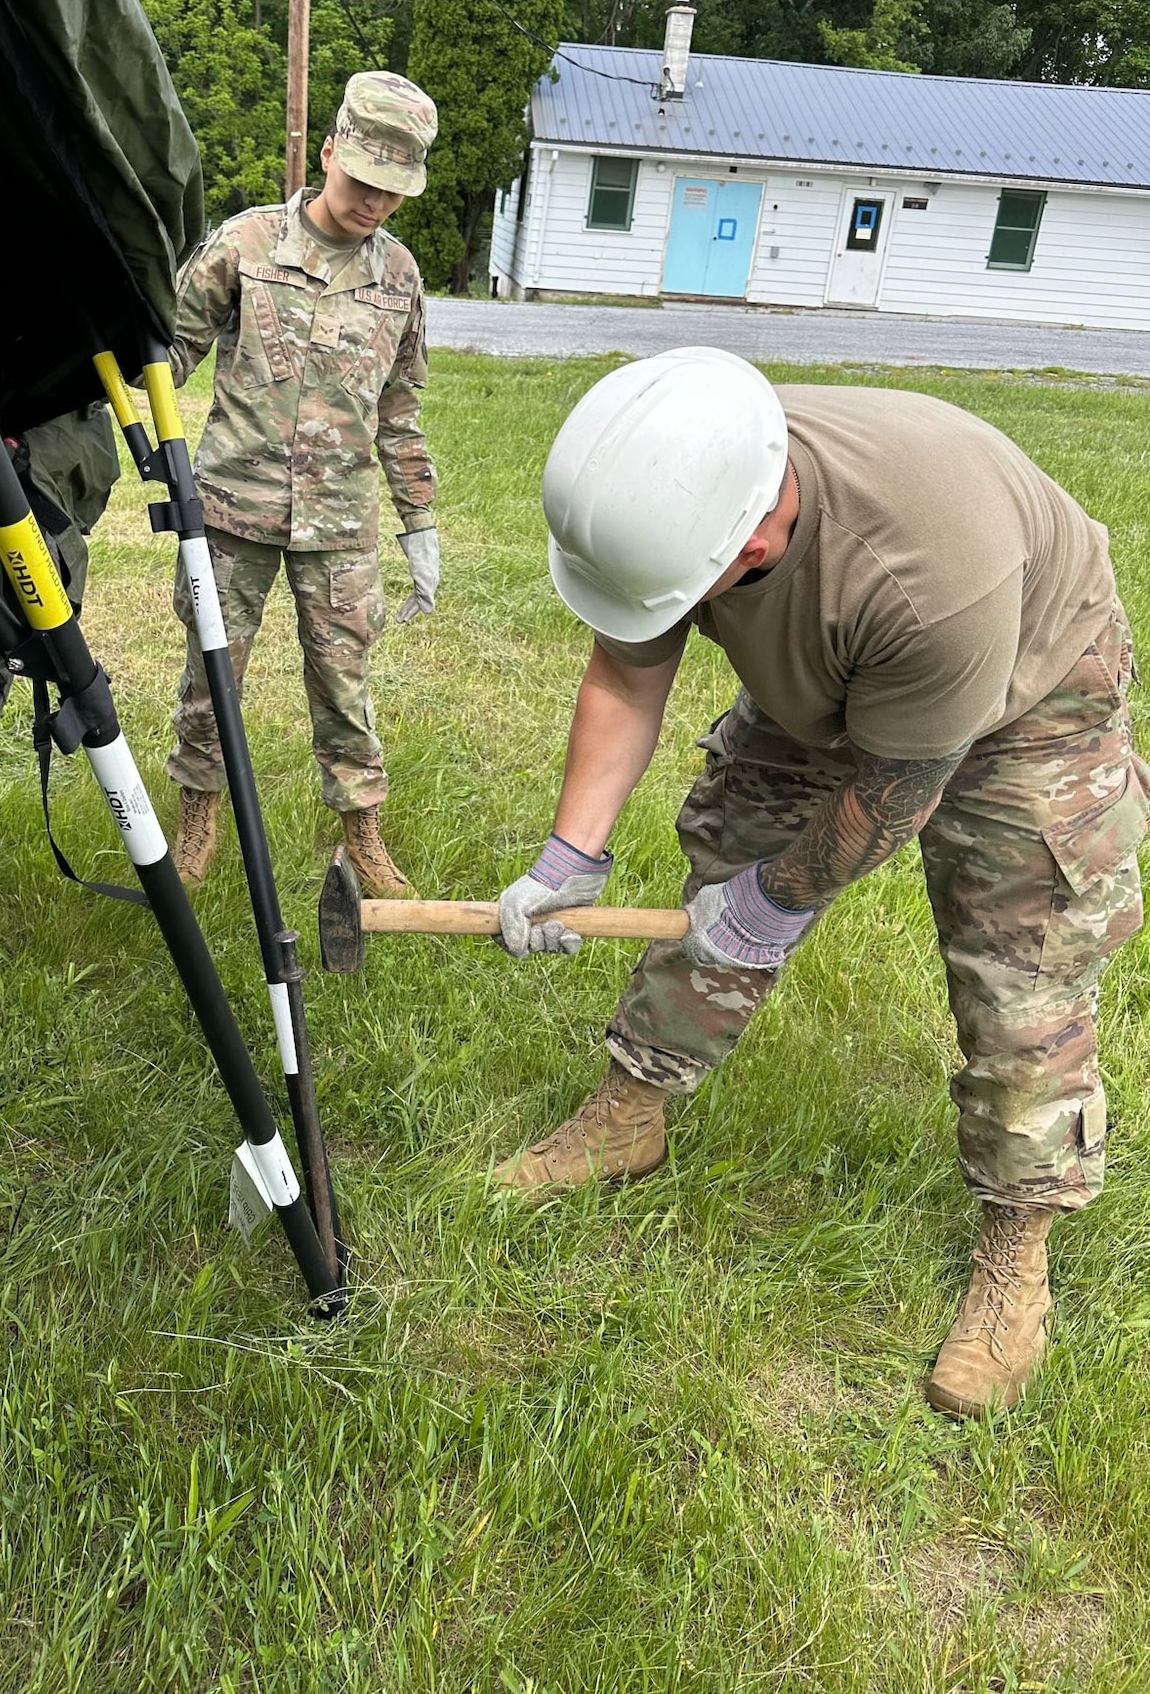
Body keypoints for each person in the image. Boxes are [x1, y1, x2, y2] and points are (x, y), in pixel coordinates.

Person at [492, 346, 1145, 1420]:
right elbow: (624, 668)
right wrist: (573, 854)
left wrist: (774, 899)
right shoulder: (675, 477)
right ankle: (629, 1111)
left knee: (1022, 962)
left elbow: (897, 787)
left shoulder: (928, 576)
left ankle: (1018, 1247)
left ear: (755, 541)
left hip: (1029, 679)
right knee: (727, 853)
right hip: (857, 681)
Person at [165, 70, 440, 896]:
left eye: (393, 193)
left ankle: (363, 834)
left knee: (344, 682)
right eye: (363, 183)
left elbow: (398, 405)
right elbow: (164, 352)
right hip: (232, 508)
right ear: (328, 153)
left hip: (342, 521)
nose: (374, 205)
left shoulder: (400, 277)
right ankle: (198, 818)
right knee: (213, 671)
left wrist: (418, 519)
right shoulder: (243, 247)